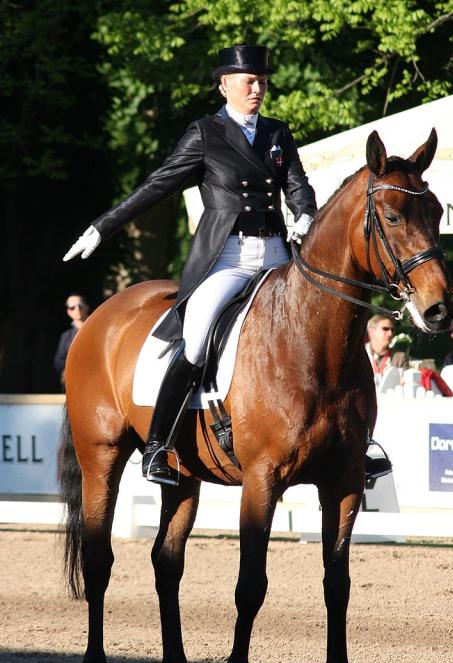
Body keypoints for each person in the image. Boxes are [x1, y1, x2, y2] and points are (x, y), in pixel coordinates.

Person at [62, 44, 388, 485]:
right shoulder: (205, 134)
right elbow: (157, 187)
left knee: (332, 328)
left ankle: (356, 441)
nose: (258, 89)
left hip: (276, 255)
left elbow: (298, 186)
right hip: (227, 260)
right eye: (249, 82)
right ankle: (159, 443)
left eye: (262, 82)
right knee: (196, 337)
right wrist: (102, 227)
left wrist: (306, 215)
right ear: (225, 85)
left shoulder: (277, 133)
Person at [54, 294, 90, 386]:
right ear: (69, 312)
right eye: (72, 307)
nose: (77, 309)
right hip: (74, 381)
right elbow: (58, 362)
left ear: (87, 307)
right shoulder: (66, 336)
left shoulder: (99, 331)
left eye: (80, 306)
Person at [365, 314, 409, 384]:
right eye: (385, 329)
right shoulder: (360, 353)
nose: (390, 333)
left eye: (392, 330)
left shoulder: (399, 357)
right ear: (371, 331)